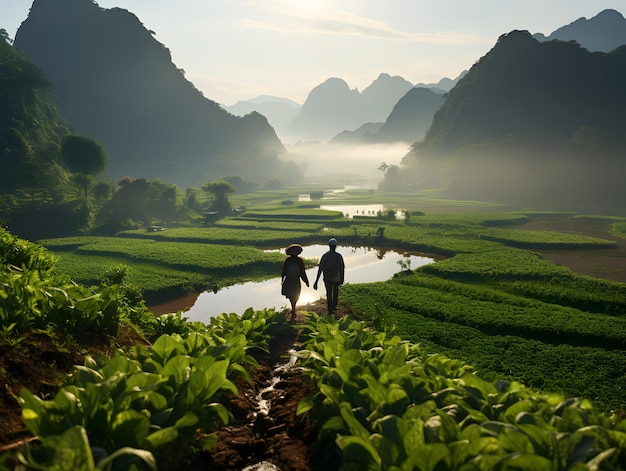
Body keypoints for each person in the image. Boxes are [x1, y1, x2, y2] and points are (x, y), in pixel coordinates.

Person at [313, 238, 345, 314]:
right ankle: (334, 305)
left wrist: (316, 281)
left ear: (329, 246)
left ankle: (329, 307)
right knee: (335, 291)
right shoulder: (338, 256)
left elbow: (320, 269)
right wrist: (342, 277)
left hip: (327, 277)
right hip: (336, 278)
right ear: (336, 246)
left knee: (329, 292)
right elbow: (342, 268)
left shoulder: (325, 256)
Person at [281, 243, 309, 320]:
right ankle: (293, 308)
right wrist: (306, 281)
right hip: (295, 280)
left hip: (290, 280)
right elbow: (302, 272)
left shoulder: (288, 260)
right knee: (295, 295)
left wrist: (282, 279)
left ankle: (293, 308)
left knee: (292, 295)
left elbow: (284, 271)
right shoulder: (299, 260)